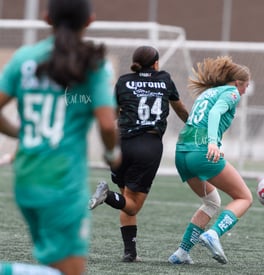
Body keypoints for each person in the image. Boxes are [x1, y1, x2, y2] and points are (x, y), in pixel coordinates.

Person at [0, 0, 120, 274]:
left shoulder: (23, 58)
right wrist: (113, 153)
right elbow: (106, 124)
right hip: (63, 182)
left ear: (46, 18)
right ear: (90, 20)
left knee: (52, 264)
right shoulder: (92, 62)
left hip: (26, 178)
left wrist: (20, 132)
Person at [88, 45, 189, 262]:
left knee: (127, 198)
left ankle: (129, 252)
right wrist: (192, 126)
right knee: (132, 205)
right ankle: (107, 196)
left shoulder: (124, 81)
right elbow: (179, 108)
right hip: (148, 145)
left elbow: (113, 113)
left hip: (121, 143)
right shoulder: (164, 79)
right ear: (155, 63)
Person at [168, 56, 253, 265]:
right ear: (237, 83)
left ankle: (182, 252)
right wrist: (213, 143)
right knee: (244, 197)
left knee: (212, 202)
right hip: (202, 151)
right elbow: (215, 113)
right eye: (245, 87)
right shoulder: (231, 92)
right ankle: (214, 234)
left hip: (181, 152)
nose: (244, 92)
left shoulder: (208, 92)